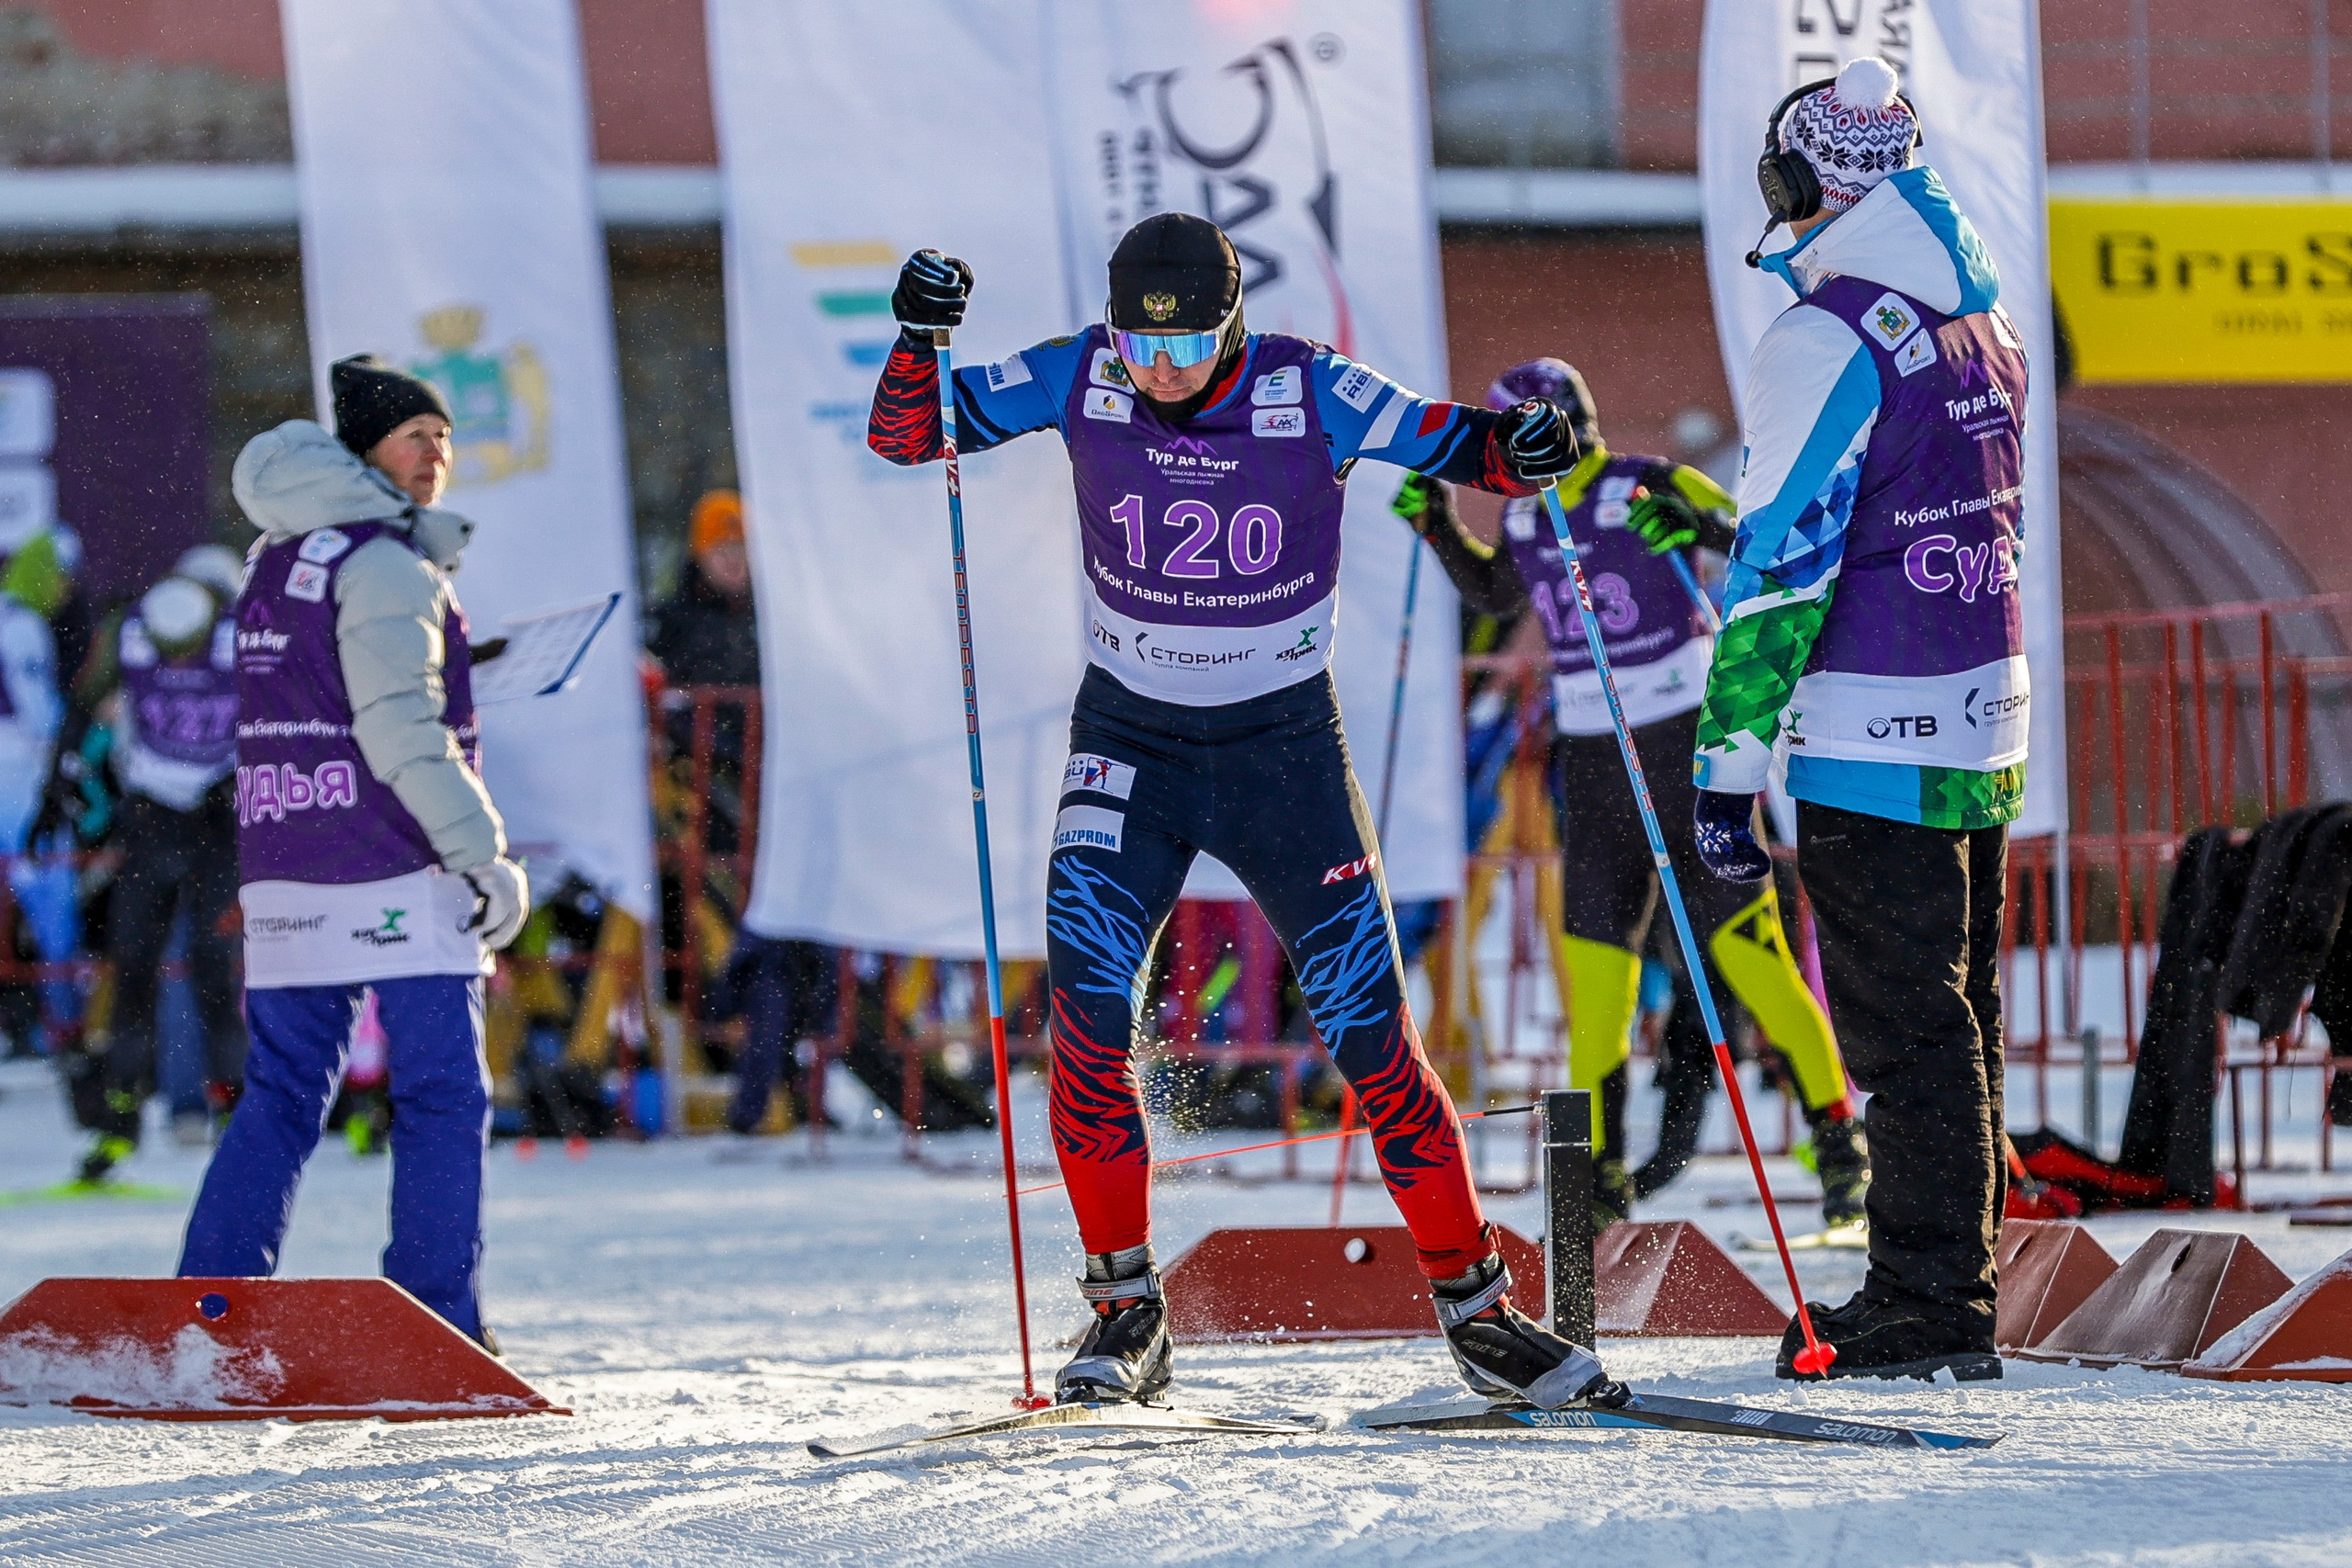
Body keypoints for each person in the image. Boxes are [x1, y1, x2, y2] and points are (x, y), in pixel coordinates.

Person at [868, 213, 1612, 1411]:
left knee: (1376, 1040)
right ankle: (1125, 1308)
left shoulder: (1308, 384)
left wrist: (1528, 447)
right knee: (1087, 1020)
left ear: (1235, 322)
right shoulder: (1080, 370)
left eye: (1191, 342)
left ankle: (1478, 1306)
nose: (1160, 369)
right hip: (1132, 743)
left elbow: (1453, 442)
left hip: (1281, 752)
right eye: (1141, 345)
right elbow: (909, 435)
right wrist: (916, 337)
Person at [1690, 58, 2030, 1382]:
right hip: (1979, 711)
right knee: (1962, 1018)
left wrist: (1725, 772)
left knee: (1907, 1028)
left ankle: (1930, 1300)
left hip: (1872, 726)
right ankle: (1950, 1274)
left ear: (1798, 179)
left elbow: (1779, 568)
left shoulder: (1827, 333)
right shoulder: (1979, 317)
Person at [1394, 359, 1864, 1235]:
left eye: (1550, 426)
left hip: (1686, 744)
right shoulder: (1530, 516)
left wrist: (1694, 522)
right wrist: (1440, 528)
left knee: (1751, 957)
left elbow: (1746, 529)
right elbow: (1501, 592)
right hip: (1597, 762)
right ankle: (1596, 1178)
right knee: (1598, 976)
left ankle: (1842, 1152)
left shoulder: (1640, 478)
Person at [177, 355, 530, 1345]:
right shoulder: (387, 562)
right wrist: (484, 856)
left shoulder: (277, 554)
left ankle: (209, 1310)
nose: (435, 454)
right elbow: (400, 734)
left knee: (283, 1095)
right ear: (364, 451)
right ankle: (435, 1318)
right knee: (441, 1097)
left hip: (289, 860)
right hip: (395, 864)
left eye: (444, 436)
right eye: (413, 435)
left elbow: (320, 700)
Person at [54, 553, 246, 1183]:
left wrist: (241, 781)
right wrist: (57, 787)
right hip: (153, 816)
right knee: (132, 967)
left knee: (218, 973)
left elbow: (289, 723)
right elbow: (85, 707)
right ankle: (116, 1125)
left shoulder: (247, 634)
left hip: (220, 821)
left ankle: (241, 1119)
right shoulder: (134, 629)